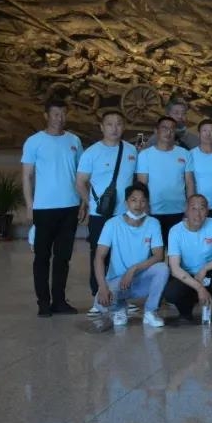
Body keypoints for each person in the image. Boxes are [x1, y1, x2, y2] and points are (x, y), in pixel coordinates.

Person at [21, 99, 83, 317]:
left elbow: (81, 175)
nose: (60, 118)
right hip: (44, 207)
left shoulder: (74, 140)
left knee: (63, 257)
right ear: (46, 116)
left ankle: (59, 300)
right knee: (42, 257)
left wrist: (83, 202)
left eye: (63, 113)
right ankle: (43, 302)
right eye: (55, 114)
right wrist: (29, 205)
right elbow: (27, 176)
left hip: (70, 206)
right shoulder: (34, 142)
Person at [76, 109, 138, 316]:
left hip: (124, 214)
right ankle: (98, 297)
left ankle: (122, 297)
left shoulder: (131, 150)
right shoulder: (91, 152)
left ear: (124, 127)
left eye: (119, 123)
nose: (114, 128)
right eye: (110, 124)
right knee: (99, 254)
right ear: (102, 127)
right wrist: (90, 203)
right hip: (99, 215)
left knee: (123, 255)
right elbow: (80, 182)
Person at [93, 182, 168, 328]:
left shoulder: (153, 223)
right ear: (126, 202)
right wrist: (102, 287)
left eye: (142, 201)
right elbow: (99, 257)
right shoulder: (112, 224)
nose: (138, 205)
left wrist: (133, 269)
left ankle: (150, 312)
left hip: (141, 278)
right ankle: (119, 308)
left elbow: (159, 255)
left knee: (162, 269)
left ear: (147, 203)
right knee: (100, 303)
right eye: (134, 200)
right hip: (117, 281)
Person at [163, 194, 212, 324]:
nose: (198, 214)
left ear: (207, 211)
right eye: (193, 208)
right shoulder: (175, 231)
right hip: (188, 277)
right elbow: (175, 269)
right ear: (186, 210)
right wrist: (199, 288)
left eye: (202, 208)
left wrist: (205, 268)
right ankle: (185, 313)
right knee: (171, 291)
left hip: (210, 273)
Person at [135, 116, 189, 236]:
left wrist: (190, 207)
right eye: (164, 128)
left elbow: (189, 184)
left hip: (179, 210)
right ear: (156, 131)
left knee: (177, 246)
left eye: (172, 129)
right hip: (153, 211)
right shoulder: (145, 155)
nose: (168, 132)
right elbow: (142, 185)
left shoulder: (185, 154)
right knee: (155, 246)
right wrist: (145, 208)